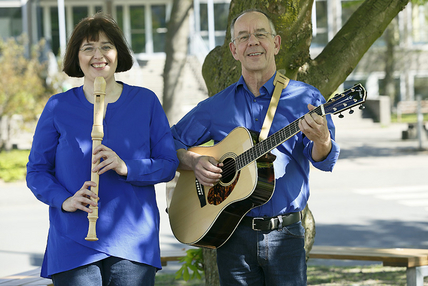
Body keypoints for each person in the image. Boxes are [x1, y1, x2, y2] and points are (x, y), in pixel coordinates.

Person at [170, 9, 340, 286]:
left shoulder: (306, 99)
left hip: (286, 235)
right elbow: (171, 141)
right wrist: (192, 162)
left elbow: (324, 161)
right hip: (232, 233)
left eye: (261, 34)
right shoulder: (216, 106)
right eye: (244, 36)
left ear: (276, 43)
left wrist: (322, 140)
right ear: (234, 49)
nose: (253, 42)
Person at [26, 13, 179, 286]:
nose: (99, 55)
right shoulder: (58, 106)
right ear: (77, 57)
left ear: (118, 53)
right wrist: (65, 200)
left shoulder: (145, 101)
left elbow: (168, 163)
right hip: (73, 240)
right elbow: (37, 171)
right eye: (88, 48)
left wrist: (126, 166)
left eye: (106, 46)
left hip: (133, 242)